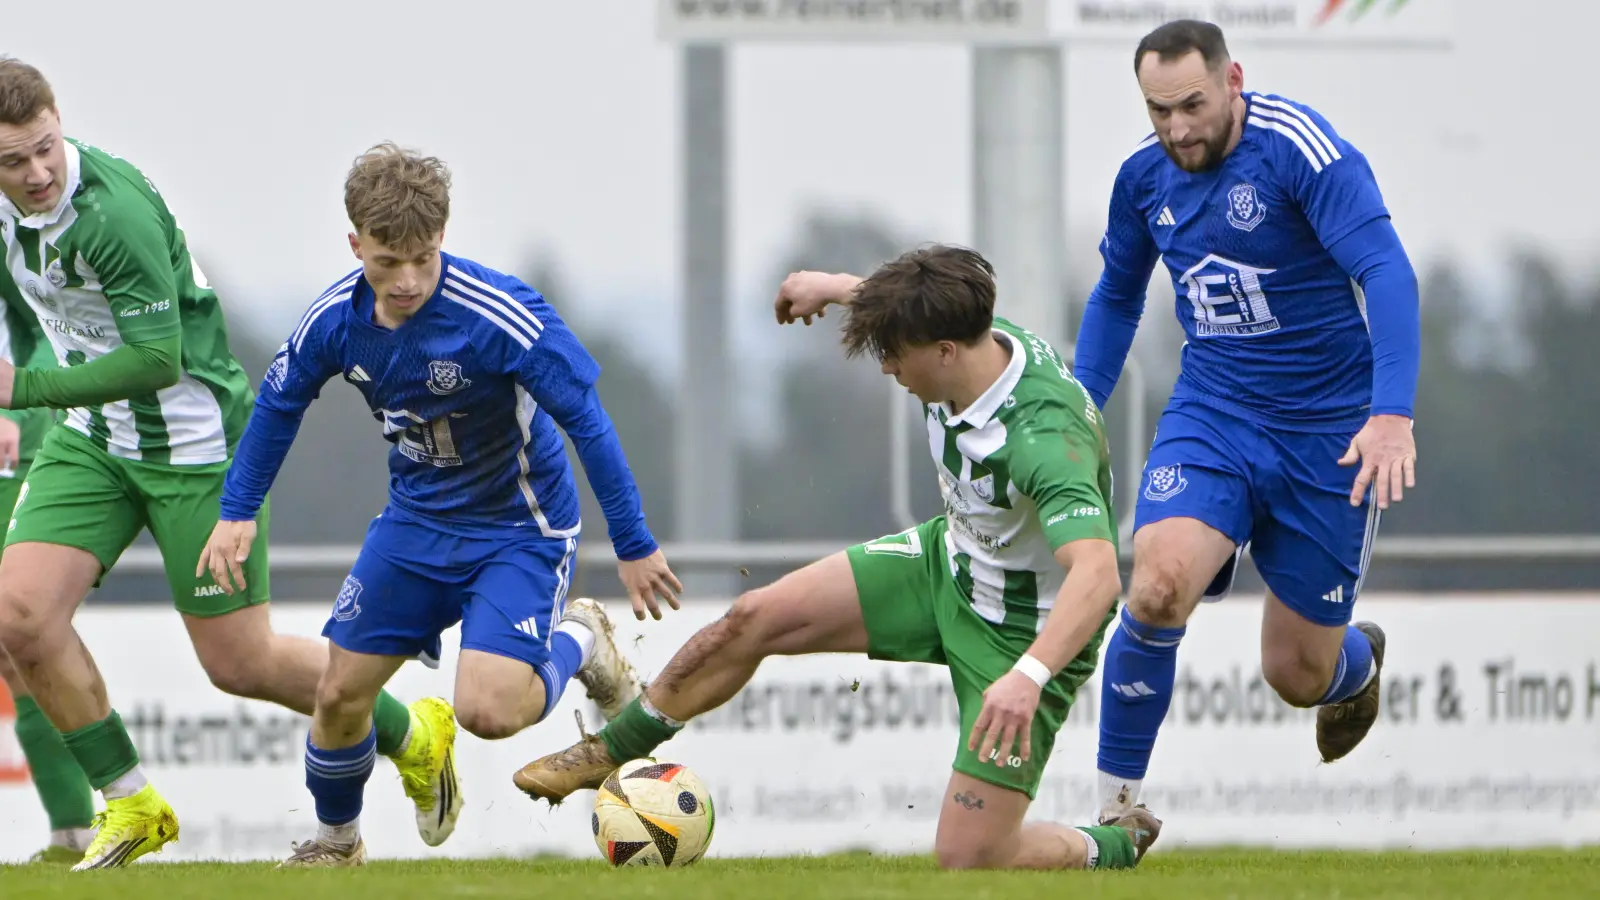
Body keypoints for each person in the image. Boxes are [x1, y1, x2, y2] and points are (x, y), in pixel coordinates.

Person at [514, 245, 1163, 871]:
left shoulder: (1043, 438)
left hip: (1022, 628)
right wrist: (829, 284)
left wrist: (1029, 676)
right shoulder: (965, 333)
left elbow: (1100, 574)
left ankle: (1110, 846)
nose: (886, 368)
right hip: (948, 560)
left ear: (944, 351)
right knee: (754, 617)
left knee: (971, 856)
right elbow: (907, 303)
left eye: (894, 355)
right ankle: (611, 749)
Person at [0, 57, 453, 871]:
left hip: (195, 448)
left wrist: (22, 387)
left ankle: (412, 733)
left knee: (239, 664)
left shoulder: (113, 214)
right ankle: (130, 802)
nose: (37, 173)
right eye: (14, 160)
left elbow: (157, 360)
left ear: (61, 123)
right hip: (92, 439)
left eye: (46, 149)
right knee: (18, 617)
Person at [200, 141, 682, 868]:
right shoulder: (335, 320)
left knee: (488, 711)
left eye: (423, 258)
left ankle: (581, 637)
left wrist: (636, 541)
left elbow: (585, 416)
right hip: (416, 523)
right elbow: (277, 402)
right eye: (388, 261)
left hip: (518, 529)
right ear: (355, 243)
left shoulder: (499, 314)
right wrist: (237, 510)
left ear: (443, 238)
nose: (407, 280)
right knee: (337, 695)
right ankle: (338, 846)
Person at [1073, 20, 1421, 825]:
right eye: (1158, 111)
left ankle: (1356, 665)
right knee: (1156, 586)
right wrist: (1080, 410)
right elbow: (1118, 295)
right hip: (1216, 412)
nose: (1177, 129)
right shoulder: (1143, 180)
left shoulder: (1299, 148)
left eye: (1192, 105)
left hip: (1329, 433)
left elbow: (1385, 272)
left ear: (1233, 79)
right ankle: (1115, 816)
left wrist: (1392, 415)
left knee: (1296, 675)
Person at [0, 303, 92, 864]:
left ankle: (77, 826)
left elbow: (43, 322)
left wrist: (18, 404)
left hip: (13, 449)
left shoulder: (17, 231)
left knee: (19, 637)